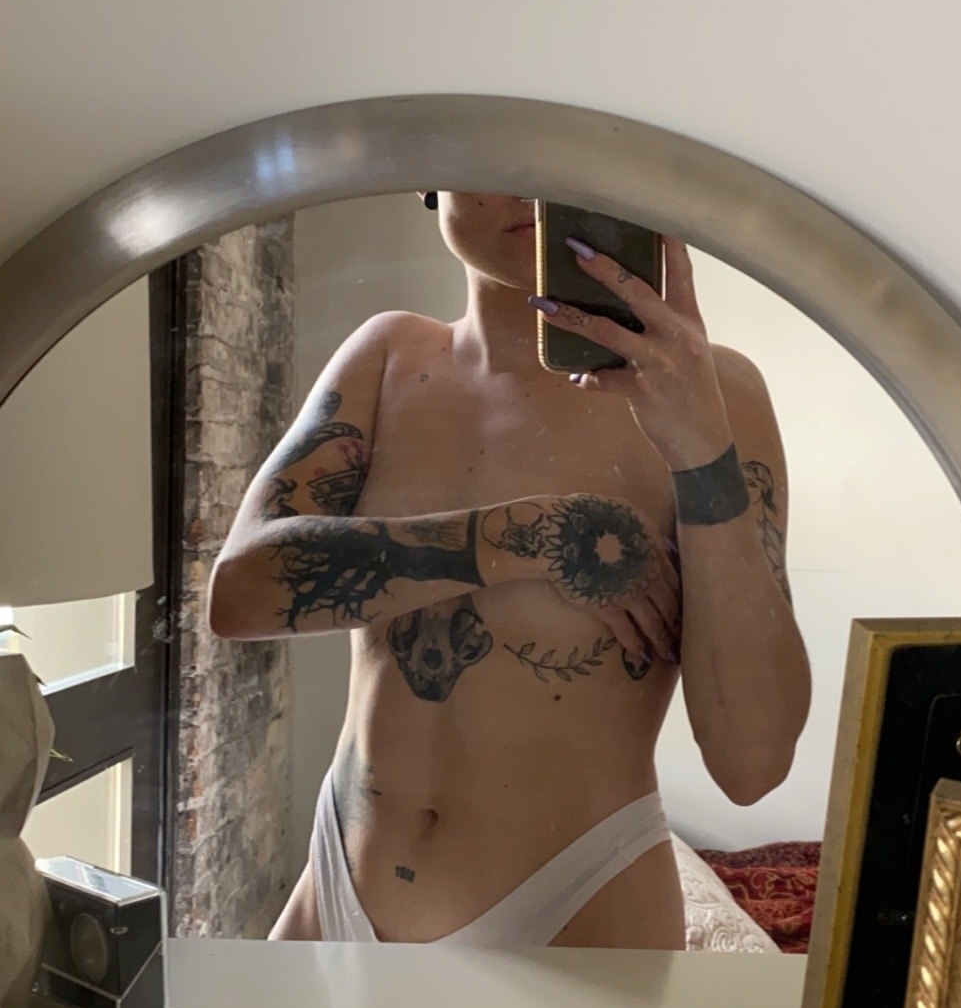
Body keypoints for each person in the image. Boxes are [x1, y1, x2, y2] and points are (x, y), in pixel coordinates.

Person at [208, 193, 811, 949]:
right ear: (431, 180)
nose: (534, 185)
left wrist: (702, 453)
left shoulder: (719, 394)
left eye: (565, 153)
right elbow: (238, 594)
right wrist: (530, 537)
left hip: (580, 896)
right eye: (498, 152)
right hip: (341, 878)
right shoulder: (390, 356)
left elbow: (753, 763)